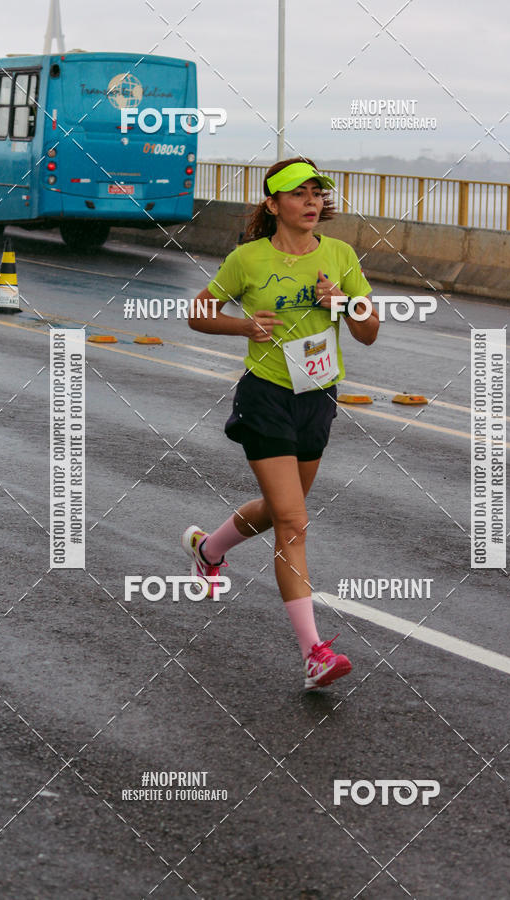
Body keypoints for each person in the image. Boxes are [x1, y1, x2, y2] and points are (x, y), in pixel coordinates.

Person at [182, 157, 379, 689]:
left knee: (278, 510)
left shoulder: (339, 255)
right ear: (273, 204)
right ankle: (314, 652)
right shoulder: (248, 259)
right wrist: (243, 325)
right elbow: (199, 313)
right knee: (294, 522)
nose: (312, 201)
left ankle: (208, 549)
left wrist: (343, 305)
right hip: (265, 396)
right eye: (298, 194)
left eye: (317, 192)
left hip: (316, 397)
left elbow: (369, 332)